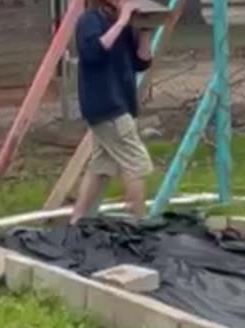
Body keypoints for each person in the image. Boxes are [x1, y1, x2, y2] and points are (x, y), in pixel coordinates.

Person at [69, 0, 155, 224]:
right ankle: (140, 223)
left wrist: (145, 33)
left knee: (101, 167)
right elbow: (92, 52)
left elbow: (142, 62)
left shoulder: (122, 23)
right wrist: (123, 21)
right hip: (106, 105)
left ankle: (78, 221)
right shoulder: (90, 20)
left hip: (121, 103)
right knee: (136, 163)